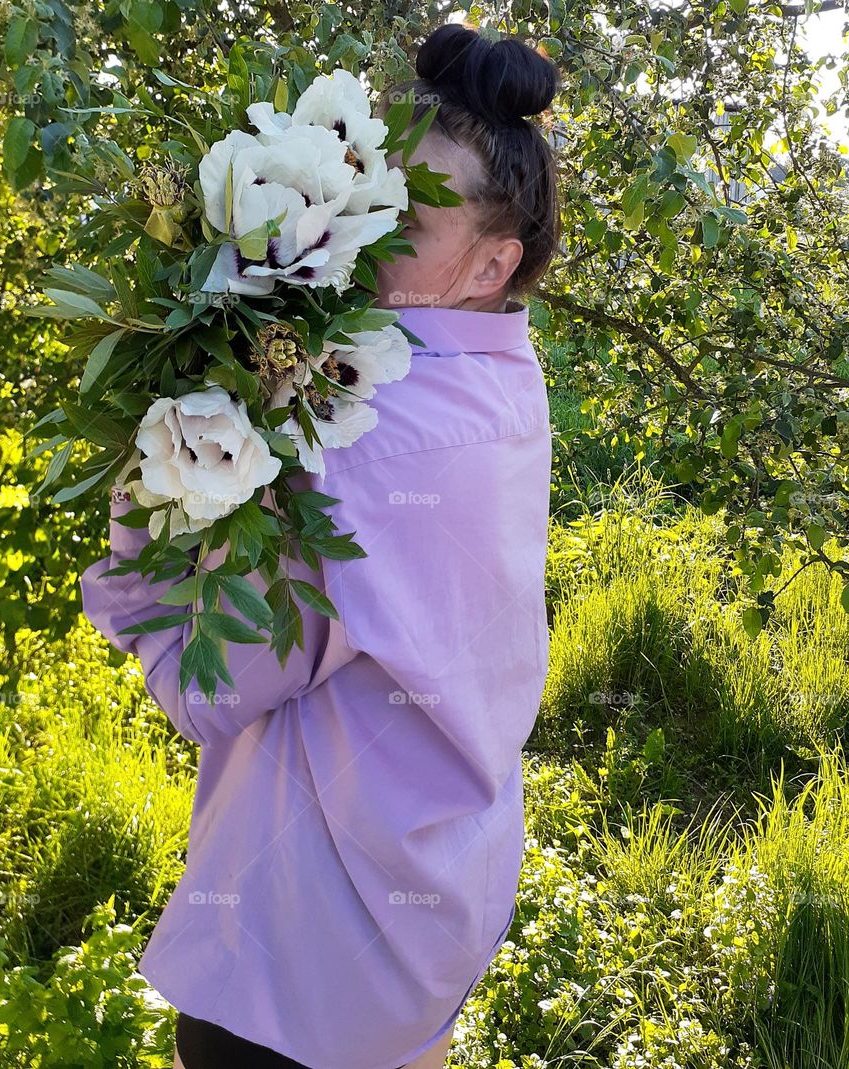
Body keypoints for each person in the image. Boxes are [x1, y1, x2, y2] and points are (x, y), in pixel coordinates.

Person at [79, 20, 562, 1069]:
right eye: (379, 197)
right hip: (440, 893)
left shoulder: (372, 428)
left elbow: (214, 681)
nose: (373, 234)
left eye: (413, 220)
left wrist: (158, 483)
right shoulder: (505, 377)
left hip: (308, 948)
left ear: (493, 262)